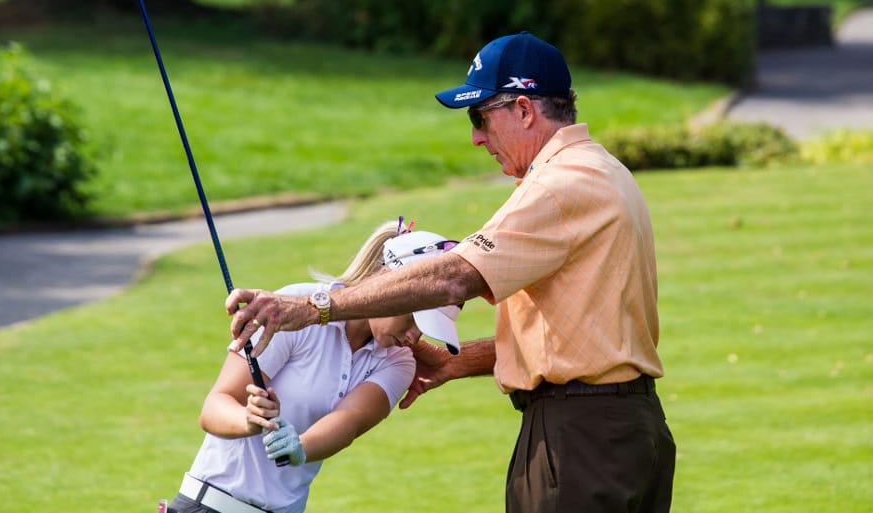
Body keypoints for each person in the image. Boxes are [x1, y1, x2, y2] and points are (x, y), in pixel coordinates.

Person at [226, 31, 677, 512]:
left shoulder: (559, 184)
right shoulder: (604, 170)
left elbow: (453, 277)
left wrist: (316, 306)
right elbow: (577, 338)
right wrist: (456, 363)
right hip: (626, 429)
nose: (476, 137)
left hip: (579, 439)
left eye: (480, 116)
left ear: (524, 110)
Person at [167, 220, 462, 513]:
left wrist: (299, 446)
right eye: (413, 319)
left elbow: (350, 422)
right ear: (387, 282)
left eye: (425, 328)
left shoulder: (398, 360)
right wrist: (248, 420)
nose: (414, 336)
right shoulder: (293, 306)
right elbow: (215, 406)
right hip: (206, 504)